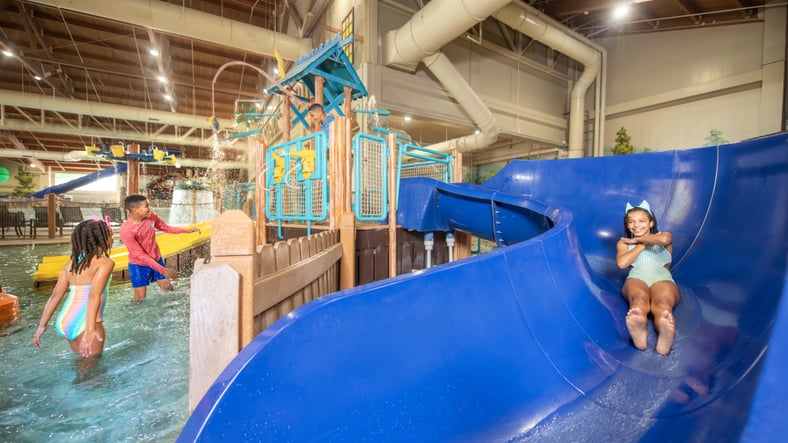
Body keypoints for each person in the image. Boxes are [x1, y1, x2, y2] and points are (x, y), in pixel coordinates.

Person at [32, 218, 115, 358]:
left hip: (65, 320)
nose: (112, 238)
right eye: (110, 234)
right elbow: (93, 296)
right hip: (86, 323)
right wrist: (90, 330)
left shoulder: (72, 264)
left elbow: (55, 295)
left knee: (82, 366)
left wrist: (42, 326)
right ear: (102, 238)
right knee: (92, 371)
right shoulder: (105, 263)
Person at [616, 200, 680, 355]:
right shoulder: (624, 243)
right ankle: (640, 331)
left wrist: (638, 239)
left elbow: (665, 240)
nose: (636, 225)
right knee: (638, 301)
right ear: (627, 226)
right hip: (637, 278)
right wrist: (640, 243)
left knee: (663, 304)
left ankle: (664, 338)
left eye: (642, 221)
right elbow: (622, 264)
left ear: (651, 223)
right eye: (631, 222)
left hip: (662, 279)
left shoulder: (663, 237)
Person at [120, 194, 200, 300]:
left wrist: (186, 230)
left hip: (156, 259)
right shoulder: (126, 230)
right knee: (140, 298)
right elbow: (140, 255)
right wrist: (163, 270)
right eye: (146, 206)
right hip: (138, 265)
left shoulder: (151, 217)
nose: (150, 208)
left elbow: (165, 227)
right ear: (136, 210)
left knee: (168, 289)